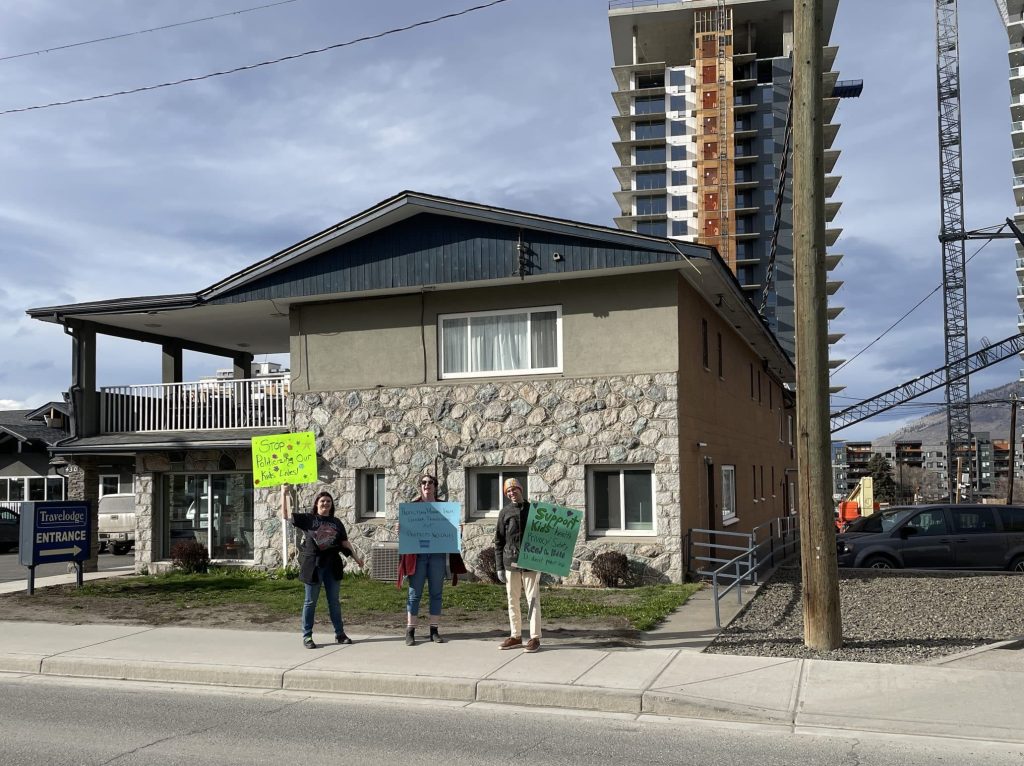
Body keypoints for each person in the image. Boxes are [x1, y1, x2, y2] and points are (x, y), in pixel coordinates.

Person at [281, 483, 364, 649]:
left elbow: (345, 542)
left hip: (332, 566)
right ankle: (307, 636)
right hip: (314, 566)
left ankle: (340, 634)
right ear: (316, 504)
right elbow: (286, 515)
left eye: (328, 501)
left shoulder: (337, 522)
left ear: (331, 505)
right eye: (322, 501)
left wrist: (357, 558)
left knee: (334, 602)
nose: (325, 503)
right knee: (310, 602)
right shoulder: (308, 519)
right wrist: (284, 494)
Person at [395, 473, 467, 646]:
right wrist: (400, 529)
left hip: (437, 556)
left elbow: (451, 534)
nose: (427, 485)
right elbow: (407, 534)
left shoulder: (444, 508)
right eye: (424, 482)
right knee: (414, 594)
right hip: (417, 557)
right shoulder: (412, 508)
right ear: (420, 486)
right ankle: (410, 630)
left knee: (436, 593)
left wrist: (457, 530)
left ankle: (434, 630)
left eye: (430, 482)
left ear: (435, 486)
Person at [493, 477, 541, 653]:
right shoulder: (505, 513)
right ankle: (516, 636)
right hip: (510, 562)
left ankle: (535, 637)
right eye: (508, 491)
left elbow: (544, 536)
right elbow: (499, 541)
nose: (512, 493)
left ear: (521, 489)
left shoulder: (534, 510)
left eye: (514, 489)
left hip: (531, 562)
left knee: (532, 600)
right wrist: (499, 567)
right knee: (512, 600)